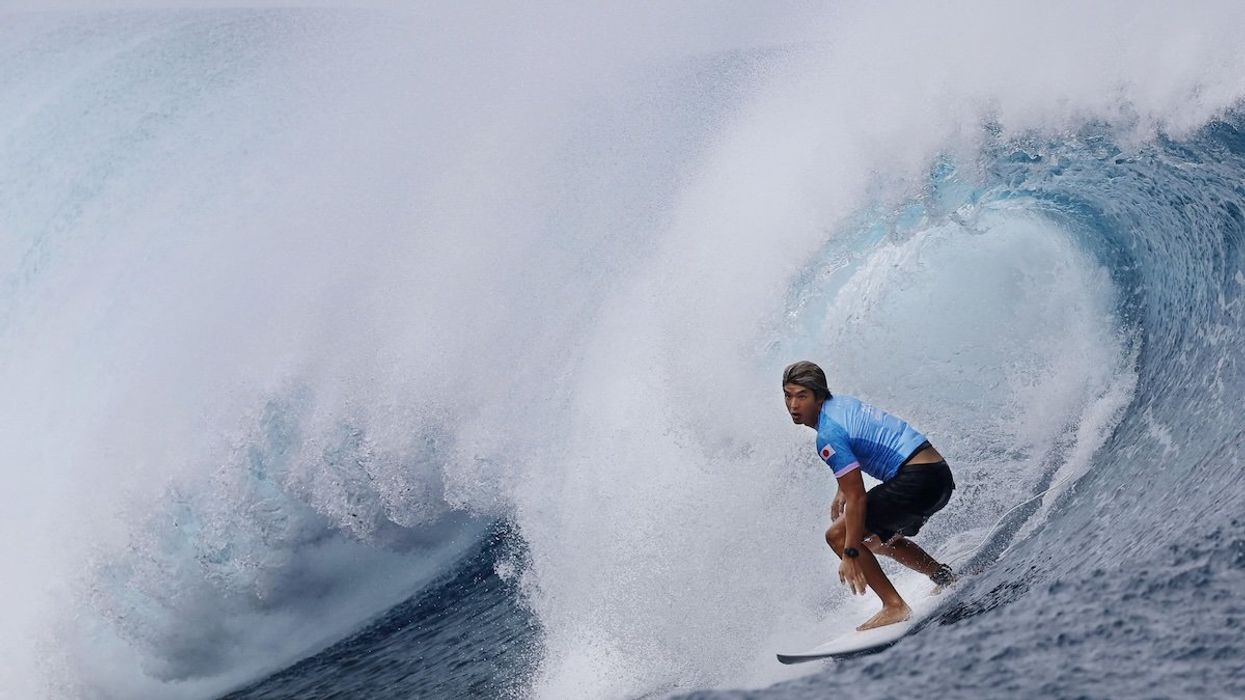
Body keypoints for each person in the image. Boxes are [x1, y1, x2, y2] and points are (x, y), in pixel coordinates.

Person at [782, 360, 957, 631]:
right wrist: (842, 488)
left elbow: (858, 499)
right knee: (874, 541)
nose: (793, 405)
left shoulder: (827, 434)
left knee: (839, 536)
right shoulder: (840, 405)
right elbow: (860, 443)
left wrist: (849, 553)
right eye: (788, 395)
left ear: (818, 397)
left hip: (917, 481)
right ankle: (943, 576)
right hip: (937, 476)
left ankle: (894, 606)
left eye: (802, 396)